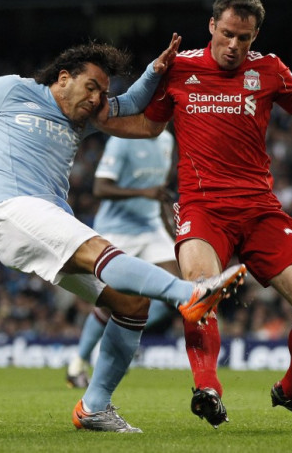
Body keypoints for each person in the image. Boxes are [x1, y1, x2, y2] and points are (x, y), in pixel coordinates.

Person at [0, 35, 247, 433]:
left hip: (46, 218)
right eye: (91, 87)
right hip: (10, 210)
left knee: (132, 306)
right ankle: (187, 294)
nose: (97, 99)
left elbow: (133, 104)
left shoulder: (84, 118)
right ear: (64, 77)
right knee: (101, 250)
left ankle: (94, 407)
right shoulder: (10, 89)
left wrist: (156, 69)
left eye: (103, 92)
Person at [99, 0, 292, 431]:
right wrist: (93, 116)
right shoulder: (181, 67)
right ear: (212, 26)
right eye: (227, 34)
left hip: (260, 210)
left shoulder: (270, 70)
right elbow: (149, 125)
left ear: (255, 38)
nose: (234, 45)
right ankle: (206, 388)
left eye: (244, 38)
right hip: (202, 208)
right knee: (199, 290)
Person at [66, 128, 179, 389]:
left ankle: (122, 339)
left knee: (177, 292)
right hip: (118, 232)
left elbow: (159, 192)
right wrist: (144, 193)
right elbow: (100, 187)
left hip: (151, 229)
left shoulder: (166, 140)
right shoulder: (122, 141)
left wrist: (170, 231)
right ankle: (78, 363)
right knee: (111, 304)